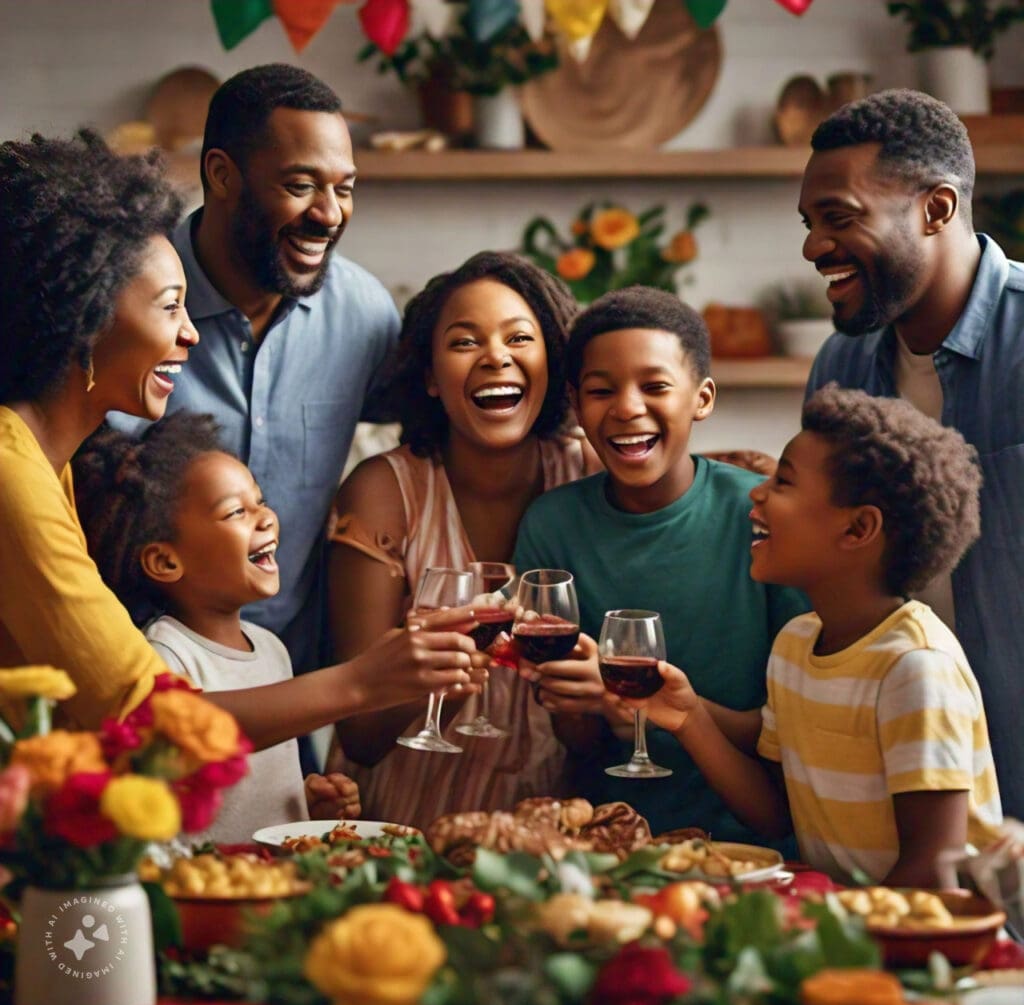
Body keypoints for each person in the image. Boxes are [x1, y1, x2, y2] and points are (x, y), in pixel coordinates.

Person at [0, 130, 478, 744]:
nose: (190, 335)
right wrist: (362, 682)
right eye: (170, 307)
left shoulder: (45, 461)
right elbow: (148, 720)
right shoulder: (13, 472)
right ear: (86, 320)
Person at [616, 386, 1003, 886]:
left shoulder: (916, 668)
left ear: (858, 528)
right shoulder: (796, 644)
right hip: (845, 925)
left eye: (784, 482)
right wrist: (689, 717)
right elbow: (777, 814)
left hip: (932, 946)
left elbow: (932, 869)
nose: (757, 490)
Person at [110, 63, 400, 679]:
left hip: (287, 677)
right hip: (133, 681)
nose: (329, 214)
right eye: (300, 184)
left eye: (343, 188)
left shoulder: (366, 315)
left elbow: (433, 440)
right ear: (221, 175)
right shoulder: (125, 302)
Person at [800, 88, 1024, 819]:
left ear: (937, 209)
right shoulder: (839, 366)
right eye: (810, 223)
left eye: (839, 217)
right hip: (910, 784)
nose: (812, 247)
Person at [514, 286, 808, 841]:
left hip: (761, 838)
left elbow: (796, 728)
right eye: (602, 390)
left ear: (702, 398)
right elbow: (577, 742)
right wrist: (583, 700)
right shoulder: (552, 526)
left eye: (655, 387)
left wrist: (661, 705)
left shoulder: (762, 517)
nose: (627, 408)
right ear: (576, 404)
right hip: (616, 840)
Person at [326, 251, 585, 827]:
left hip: (549, 844)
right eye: (465, 343)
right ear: (429, 378)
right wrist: (456, 661)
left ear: (553, 360)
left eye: (520, 338)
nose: (496, 356)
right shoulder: (383, 492)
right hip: (400, 831)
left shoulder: (588, 474)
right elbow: (362, 733)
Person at [74, 412, 361, 842]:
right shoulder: (165, 657)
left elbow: (248, 792)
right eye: (235, 512)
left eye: (260, 501)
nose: (265, 518)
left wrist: (304, 803)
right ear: (166, 561)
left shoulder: (272, 649)